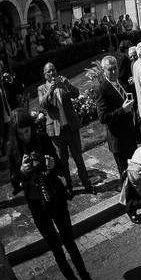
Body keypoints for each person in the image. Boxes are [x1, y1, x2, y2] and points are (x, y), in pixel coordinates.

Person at [9, 110, 103, 280]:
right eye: (21, 133)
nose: (25, 136)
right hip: (37, 206)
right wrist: (22, 173)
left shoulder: (41, 139)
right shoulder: (13, 150)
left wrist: (53, 165)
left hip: (55, 198)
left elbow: (61, 168)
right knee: (57, 251)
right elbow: (14, 183)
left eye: (27, 131)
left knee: (70, 242)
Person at [38, 62, 93, 194]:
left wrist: (67, 84)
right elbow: (43, 104)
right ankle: (69, 188)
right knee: (63, 162)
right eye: (48, 71)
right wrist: (50, 90)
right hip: (57, 132)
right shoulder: (42, 88)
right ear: (45, 75)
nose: (52, 73)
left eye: (53, 70)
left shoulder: (63, 83)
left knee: (78, 158)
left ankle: (87, 185)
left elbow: (76, 94)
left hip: (71, 128)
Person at [96, 55, 139, 191]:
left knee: (135, 169)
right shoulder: (102, 89)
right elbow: (103, 117)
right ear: (104, 71)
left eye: (115, 68)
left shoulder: (121, 82)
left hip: (130, 134)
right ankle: (129, 204)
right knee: (125, 175)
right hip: (118, 140)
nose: (114, 72)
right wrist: (122, 110)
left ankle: (139, 197)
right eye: (110, 70)